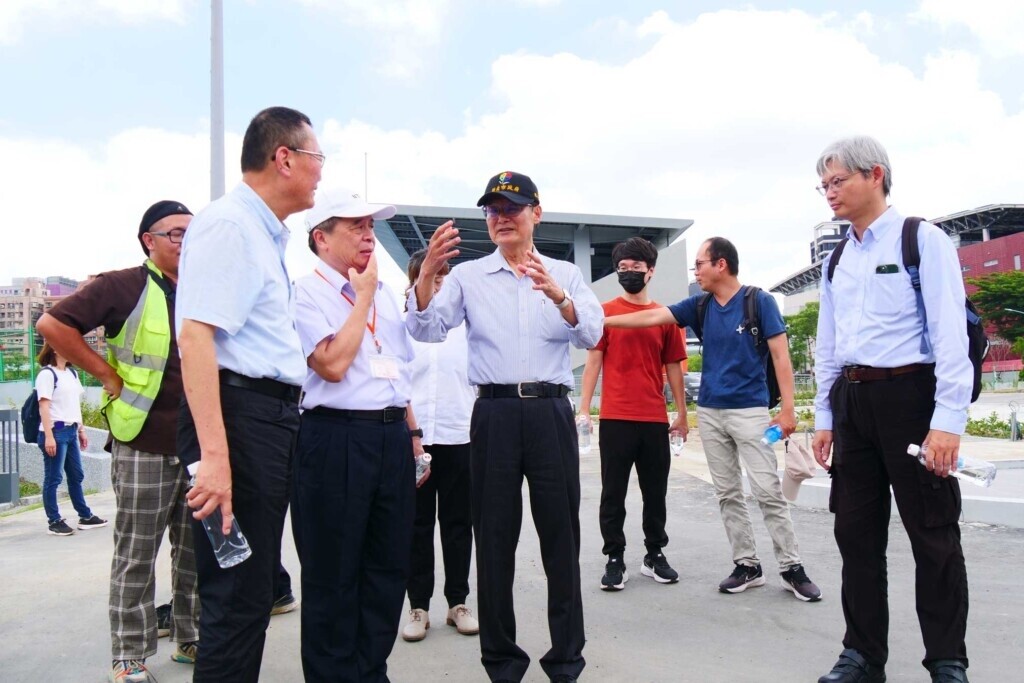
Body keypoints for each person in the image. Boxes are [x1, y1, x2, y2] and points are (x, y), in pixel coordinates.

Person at [407, 171, 603, 683]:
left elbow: (591, 332)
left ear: (536, 212)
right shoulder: (470, 276)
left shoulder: (564, 272)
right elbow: (426, 327)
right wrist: (427, 273)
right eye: (492, 210)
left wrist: (559, 295)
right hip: (491, 415)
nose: (501, 218)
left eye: (512, 208)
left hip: (549, 412)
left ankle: (566, 660)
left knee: (561, 538)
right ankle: (502, 662)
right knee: (492, 540)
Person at [811, 136, 972, 683]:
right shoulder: (837, 257)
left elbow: (949, 334)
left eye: (839, 181)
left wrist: (947, 422)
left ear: (874, 174)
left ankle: (947, 659)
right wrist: (825, 419)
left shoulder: (920, 240)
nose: (829, 193)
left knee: (933, 534)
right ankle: (861, 654)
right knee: (855, 534)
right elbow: (827, 346)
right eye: (824, 185)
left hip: (910, 398)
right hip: (852, 404)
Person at [175, 106, 321, 682]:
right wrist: (215, 459)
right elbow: (196, 338)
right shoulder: (231, 226)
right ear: (283, 157)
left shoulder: (262, 234)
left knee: (253, 588)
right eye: (316, 158)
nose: (319, 173)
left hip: (264, 420)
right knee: (235, 595)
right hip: (237, 423)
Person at [605, 237, 822, 603]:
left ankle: (791, 567)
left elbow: (782, 358)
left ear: (721, 264)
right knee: (728, 494)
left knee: (768, 490)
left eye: (700, 264)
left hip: (752, 413)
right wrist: (601, 317)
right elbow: (653, 316)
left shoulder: (759, 301)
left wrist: (787, 411)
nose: (696, 272)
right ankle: (747, 565)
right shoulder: (700, 305)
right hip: (710, 412)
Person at [37, 200, 199, 682]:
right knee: (137, 553)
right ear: (148, 239)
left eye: (194, 234)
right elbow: (51, 325)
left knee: (194, 553)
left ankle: (191, 637)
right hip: (142, 442)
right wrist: (105, 373)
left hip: (196, 445)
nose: (186, 243)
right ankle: (129, 655)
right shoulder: (121, 285)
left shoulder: (202, 289)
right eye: (176, 234)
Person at [291, 188, 421, 682]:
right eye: (356, 227)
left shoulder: (385, 294)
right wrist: (362, 295)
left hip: (390, 440)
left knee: (387, 568)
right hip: (335, 437)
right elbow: (332, 364)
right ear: (321, 238)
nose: (369, 236)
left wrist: (412, 434)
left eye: (371, 226)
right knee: (333, 572)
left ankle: (371, 671)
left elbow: (397, 372)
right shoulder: (306, 292)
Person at [578, 236, 688, 591]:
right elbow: (593, 360)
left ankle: (654, 554)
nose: (628, 274)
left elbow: (673, 367)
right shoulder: (605, 312)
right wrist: (583, 409)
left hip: (654, 418)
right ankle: (615, 557)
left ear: (650, 271)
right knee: (613, 493)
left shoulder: (665, 317)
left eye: (635, 268)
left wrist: (682, 413)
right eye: (622, 269)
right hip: (615, 417)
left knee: (655, 493)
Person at [401, 249, 479, 643]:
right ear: (415, 281)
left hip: (459, 435)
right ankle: (418, 606)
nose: (438, 283)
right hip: (413, 441)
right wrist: (412, 436)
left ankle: (457, 602)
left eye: (444, 277)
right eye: (430, 277)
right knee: (415, 525)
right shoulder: (401, 327)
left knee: (457, 523)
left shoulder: (467, 328)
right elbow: (394, 385)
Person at [32, 342, 106, 537]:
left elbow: (74, 405)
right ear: (56, 349)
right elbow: (44, 407)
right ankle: (54, 521)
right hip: (55, 432)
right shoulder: (47, 375)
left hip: (71, 430)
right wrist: (49, 437)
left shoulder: (71, 374)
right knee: (53, 478)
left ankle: (85, 516)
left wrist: (81, 430)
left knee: (76, 476)